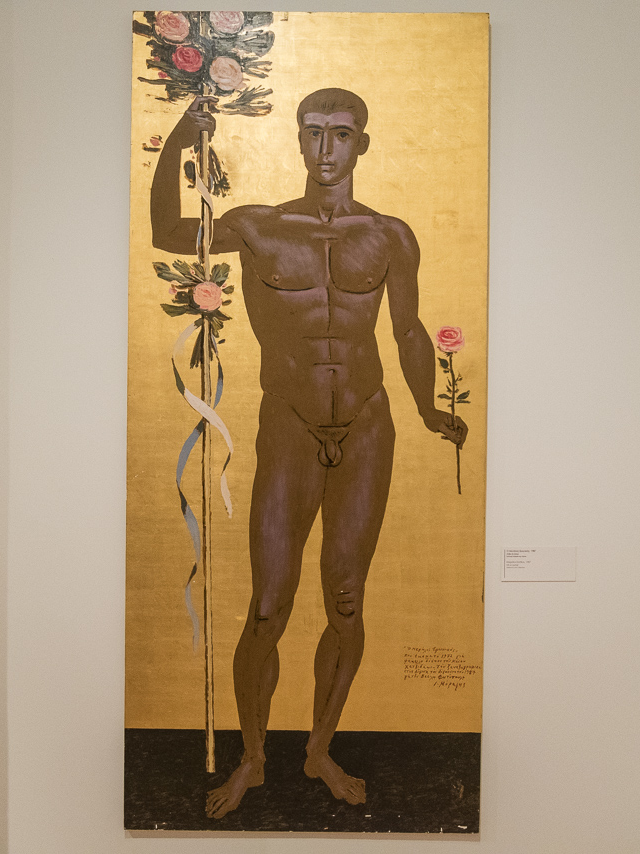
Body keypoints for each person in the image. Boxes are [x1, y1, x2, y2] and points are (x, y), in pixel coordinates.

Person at [151, 88, 468, 819]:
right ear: (298, 141)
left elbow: (409, 331)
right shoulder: (259, 227)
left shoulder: (389, 236)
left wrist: (427, 408)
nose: (326, 148)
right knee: (268, 606)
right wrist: (179, 137)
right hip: (290, 427)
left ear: (362, 144)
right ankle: (254, 759)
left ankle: (320, 749)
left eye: (342, 134)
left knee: (346, 599)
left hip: (367, 427)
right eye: (314, 132)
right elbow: (169, 231)